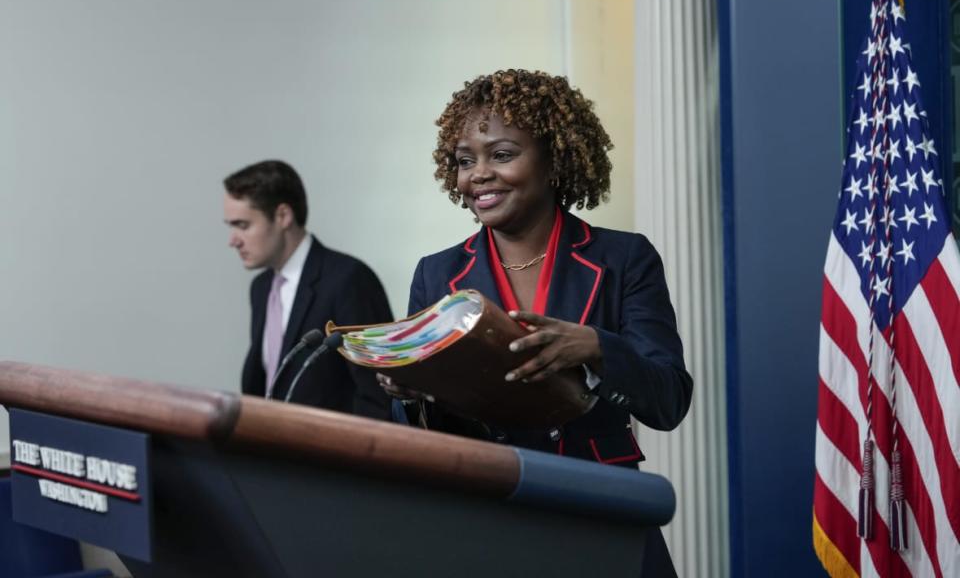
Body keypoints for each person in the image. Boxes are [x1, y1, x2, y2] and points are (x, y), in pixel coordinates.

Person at [379, 70, 693, 575]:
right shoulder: (437, 273)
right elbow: (424, 436)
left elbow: (669, 399)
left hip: (601, 516)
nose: (478, 174)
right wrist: (411, 390)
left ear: (554, 160)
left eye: (502, 155)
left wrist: (596, 347)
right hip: (485, 522)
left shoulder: (624, 258)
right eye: (465, 161)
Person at [224, 160, 392, 419]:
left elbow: (377, 395)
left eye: (243, 225)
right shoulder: (261, 288)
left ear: (283, 216)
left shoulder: (348, 279)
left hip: (331, 454)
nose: (233, 240)